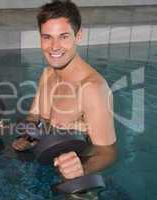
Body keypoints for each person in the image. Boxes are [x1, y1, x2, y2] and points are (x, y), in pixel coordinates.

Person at [12, 0, 117, 181]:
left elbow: (108, 152)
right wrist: (28, 137)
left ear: (78, 36)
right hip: (45, 162)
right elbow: (33, 116)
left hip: (76, 180)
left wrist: (81, 170)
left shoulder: (92, 89)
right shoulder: (47, 74)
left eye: (63, 36)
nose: (54, 47)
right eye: (47, 37)